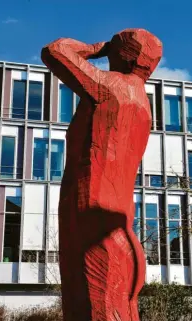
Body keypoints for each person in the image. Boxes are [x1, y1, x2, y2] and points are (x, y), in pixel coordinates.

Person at [41, 29, 162, 321]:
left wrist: (97, 47)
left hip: (90, 208)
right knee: (117, 298)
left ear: (121, 54)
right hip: (115, 211)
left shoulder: (113, 87)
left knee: (92, 296)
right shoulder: (142, 104)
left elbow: (55, 50)